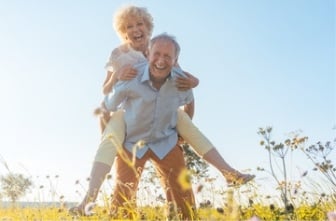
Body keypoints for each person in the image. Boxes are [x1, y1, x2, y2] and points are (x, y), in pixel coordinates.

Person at [69, 5, 254, 217]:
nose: (135, 29)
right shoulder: (120, 55)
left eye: (140, 24)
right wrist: (116, 76)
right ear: (123, 31)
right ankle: (88, 199)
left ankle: (228, 172)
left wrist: (194, 83)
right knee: (113, 153)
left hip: (163, 128)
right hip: (130, 118)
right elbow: (105, 96)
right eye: (129, 26)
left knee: (185, 127)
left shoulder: (159, 50)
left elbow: (182, 77)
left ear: (148, 28)